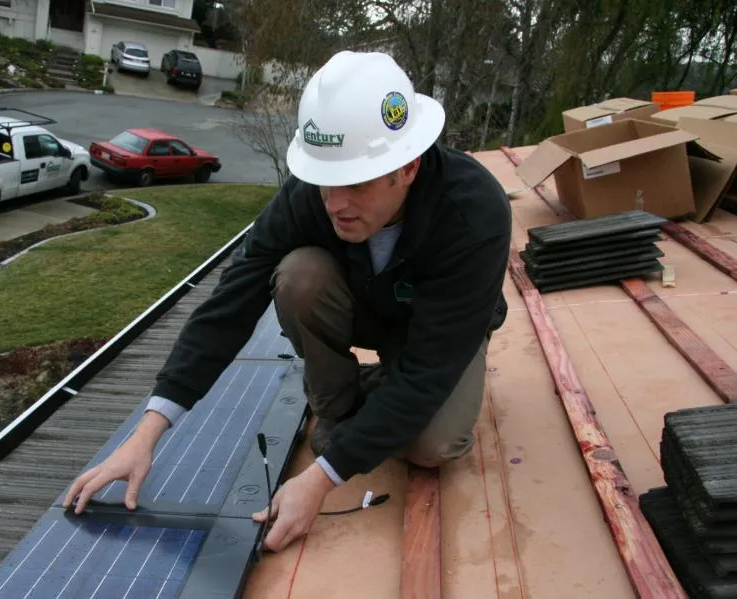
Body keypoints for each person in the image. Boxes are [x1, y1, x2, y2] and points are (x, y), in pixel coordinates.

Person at [63, 50, 512, 553]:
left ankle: (382, 394)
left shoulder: (473, 215)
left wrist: (320, 480)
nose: (334, 203)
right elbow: (233, 297)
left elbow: (431, 366)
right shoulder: (311, 194)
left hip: (437, 330)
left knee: (433, 446)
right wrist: (148, 431)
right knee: (297, 275)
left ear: (406, 167)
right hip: (367, 306)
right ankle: (340, 408)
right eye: (325, 181)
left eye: (354, 185)